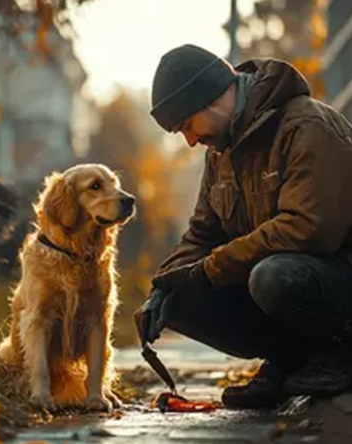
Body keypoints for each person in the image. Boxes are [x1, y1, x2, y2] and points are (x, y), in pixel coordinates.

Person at [135, 44, 352, 409]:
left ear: (212, 98)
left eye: (188, 125)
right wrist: (164, 285)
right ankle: (290, 359)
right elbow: (203, 233)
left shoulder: (306, 125)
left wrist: (210, 268)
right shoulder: (220, 152)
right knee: (179, 301)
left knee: (273, 277)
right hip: (292, 272)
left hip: (337, 274)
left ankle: (341, 351)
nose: (190, 140)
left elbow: (307, 229)